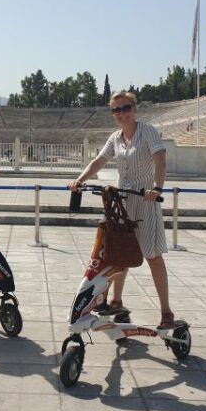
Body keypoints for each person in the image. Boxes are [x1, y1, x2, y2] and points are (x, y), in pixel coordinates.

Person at [69, 90, 174, 329]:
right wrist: (80, 180)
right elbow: (99, 161)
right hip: (121, 202)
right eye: (116, 110)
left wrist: (157, 188)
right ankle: (116, 300)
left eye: (125, 108)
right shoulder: (115, 137)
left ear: (134, 110)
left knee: (152, 255)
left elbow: (160, 160)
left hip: (145, 200)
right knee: (120, 253)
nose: (121, 114)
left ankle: (166, 312)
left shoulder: (148, 132)